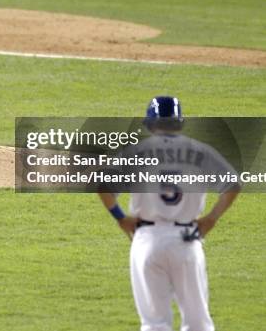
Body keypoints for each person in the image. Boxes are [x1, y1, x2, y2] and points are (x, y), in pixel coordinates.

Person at [98, 96, 240, 331]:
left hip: (147, 240)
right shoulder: (200, 151)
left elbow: (104, 187)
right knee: (198, 323)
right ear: (179, 122)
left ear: (151, 124)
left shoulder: (137, 152)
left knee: (155, 324)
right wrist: (211, 219)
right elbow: (232, 185)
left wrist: (121, 218)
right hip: (187, 239)